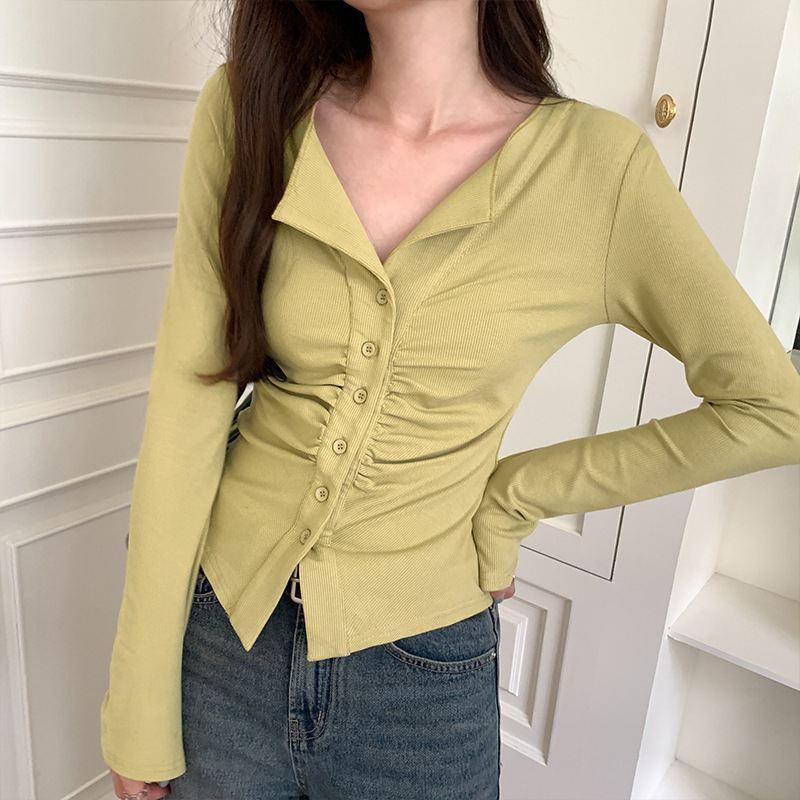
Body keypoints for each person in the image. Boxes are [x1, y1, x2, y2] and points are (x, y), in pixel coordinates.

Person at [102, 1, 800, 798]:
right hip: (220, 639)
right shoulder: (250, 107)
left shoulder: (597, 170)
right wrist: (137, 708)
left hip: (423, 679)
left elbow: (772, 408)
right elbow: (187, 404)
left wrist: (516, 495)